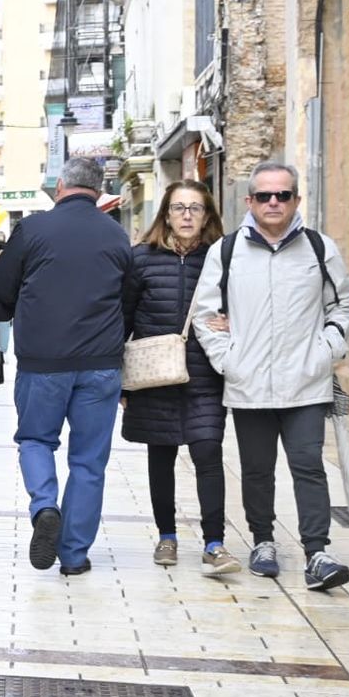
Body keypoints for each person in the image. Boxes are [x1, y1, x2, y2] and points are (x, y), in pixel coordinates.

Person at [192, 161, 349, 591]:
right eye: (264, 195)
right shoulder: (226, 251)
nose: (273, 202)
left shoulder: (320, 248)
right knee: (257, 469)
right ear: (250, 201)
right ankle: (263, 542)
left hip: (305, 382)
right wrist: (229, 360)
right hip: (248, 384)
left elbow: (344, 303)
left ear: (295, 200)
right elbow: (205, 313)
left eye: (282, 195)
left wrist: (327, 349)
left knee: (308, 467)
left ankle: (317, 552)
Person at [0, 156, 133, 577]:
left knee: (35, 440)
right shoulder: (117, 235)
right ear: (100, 189)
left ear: (60, 185)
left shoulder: (33, 229)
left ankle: (45, 507)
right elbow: (129, 300)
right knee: (89, 462)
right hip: (101, 364)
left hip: (43, 362)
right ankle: (73, 555)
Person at [121, 180, 237, 576]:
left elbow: (244, 308)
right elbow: (124, 318)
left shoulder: (223, 259)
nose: (187, 215)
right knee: (161, 457)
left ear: (207, 216)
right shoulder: (141, 259)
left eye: (195, 208)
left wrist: (232, 323)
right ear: (166, 214)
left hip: (206, 375)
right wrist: (120, 381)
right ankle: (166, 535)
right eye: (178, 208)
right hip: (155, 374)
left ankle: (214, 543)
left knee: (208, 453)